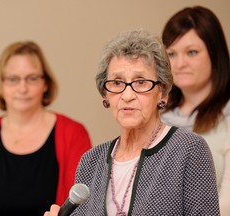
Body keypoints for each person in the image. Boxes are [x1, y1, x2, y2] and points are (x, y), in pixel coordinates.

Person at [44, 29, 220, 215]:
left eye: (141, 82)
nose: (127, 95)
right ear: (106, 95)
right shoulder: (91, 161)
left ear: (163, 93)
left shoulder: (189, 149)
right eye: (117, 83)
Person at [0, 41, 92, 216]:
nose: (22, 88)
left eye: (32, 78)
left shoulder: (73, 134)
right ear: (0, 85)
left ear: (45, 84)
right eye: (13, 79)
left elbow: (85, 208)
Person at [161, 6, 230, 215]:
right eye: (171, 54)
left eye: (192, 52)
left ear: (215, 54)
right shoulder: (157, 117)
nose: (180, 64)